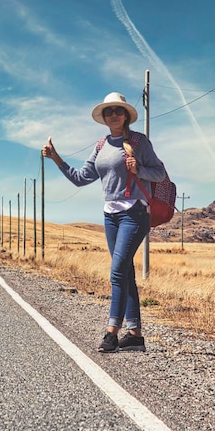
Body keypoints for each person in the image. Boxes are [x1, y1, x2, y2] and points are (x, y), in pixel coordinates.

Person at [42, 92, 165, 353]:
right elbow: (80, 177)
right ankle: (134, 335)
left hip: (135, 213)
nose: (113, 115)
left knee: (118, 271)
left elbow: (159, 172)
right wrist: (56, 158)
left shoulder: (139, 142)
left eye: (118, 110)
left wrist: (138, 170)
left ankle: (111, 333)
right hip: (110, 216)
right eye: (109, 111)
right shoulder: (100, 145)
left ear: (126, 115)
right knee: (125, 272)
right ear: (104, 117)